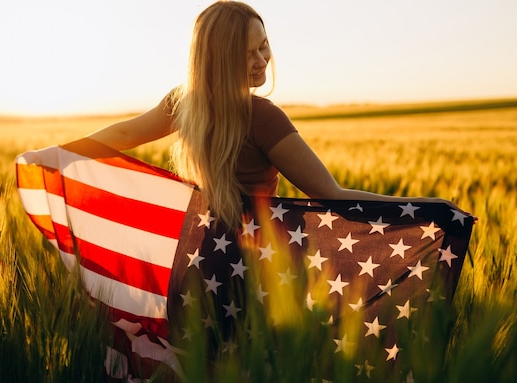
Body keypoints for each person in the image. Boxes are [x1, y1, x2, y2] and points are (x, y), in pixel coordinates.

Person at [85, 0, 461, 228]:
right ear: (219, 60)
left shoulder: (183, 103)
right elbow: (331, 195)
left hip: (201, 256)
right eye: (247, 54)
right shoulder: (263, 117)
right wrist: (429, 208)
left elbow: (117, 137)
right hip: (259, 263)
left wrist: (54, 155)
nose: (261, 60)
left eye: (263, 46)